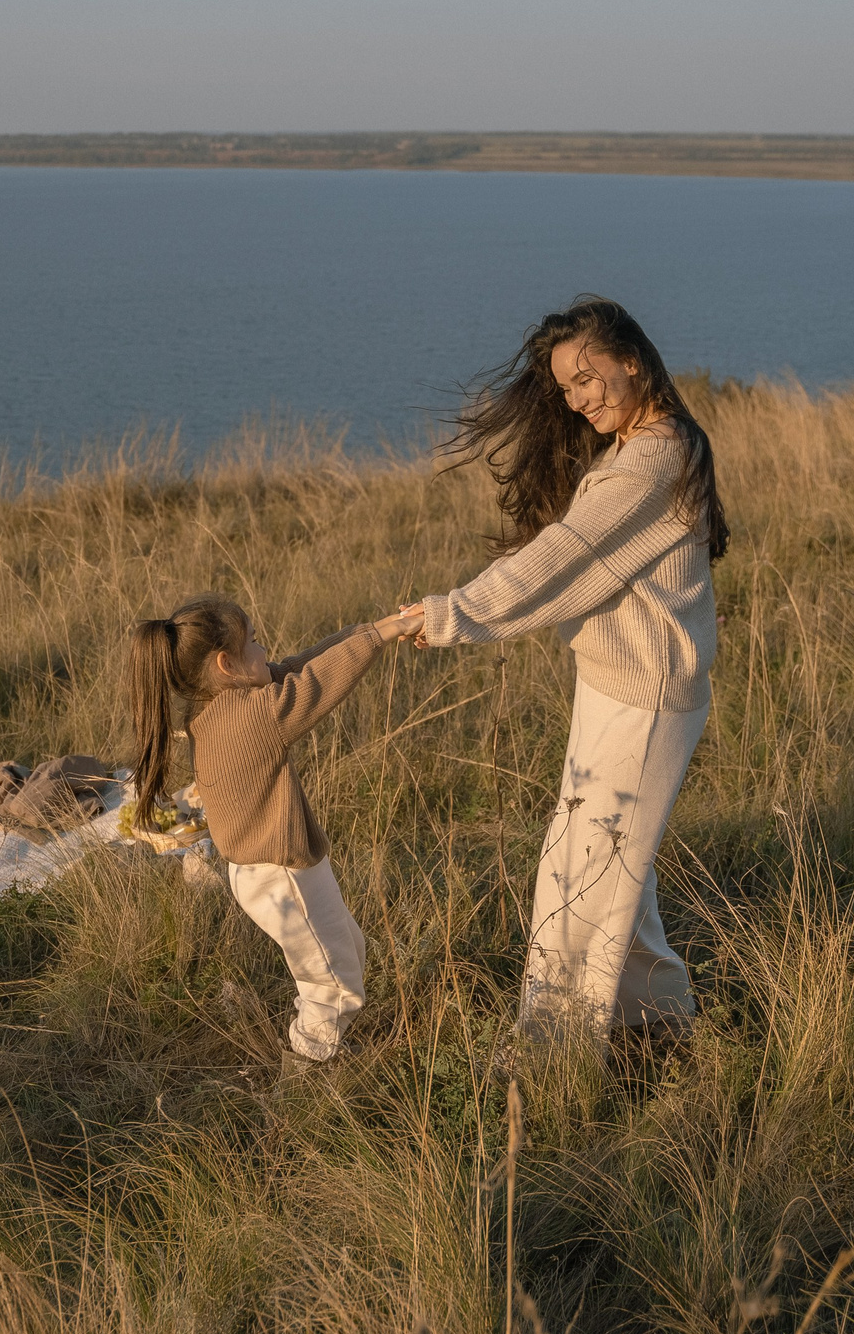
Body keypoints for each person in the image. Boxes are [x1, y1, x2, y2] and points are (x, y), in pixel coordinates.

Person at [402, 297, 729, 1044]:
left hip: (644, 704)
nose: (580, 397)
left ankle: (551, 1061)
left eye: (589, 376)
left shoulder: (652, 458)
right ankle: (662, 1029)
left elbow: (565, 556)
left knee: (578, 888)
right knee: (617, 878)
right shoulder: (638, 447)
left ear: (633, 362)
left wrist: (449, 613)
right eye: (567, 387)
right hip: (616, 689)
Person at [128, 595, 420, 1062]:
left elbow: (296, 668)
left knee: (345, 956)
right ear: (227, 665)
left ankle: (323, 1047)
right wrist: (379, 636)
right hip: (281, 875)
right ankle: (305, 1083)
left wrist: (379, 627)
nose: (266, 650)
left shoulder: (218, 710)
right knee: (334, 987)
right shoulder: (254, 716)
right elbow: (317, 682)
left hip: (272, 869)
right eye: (255, 641)